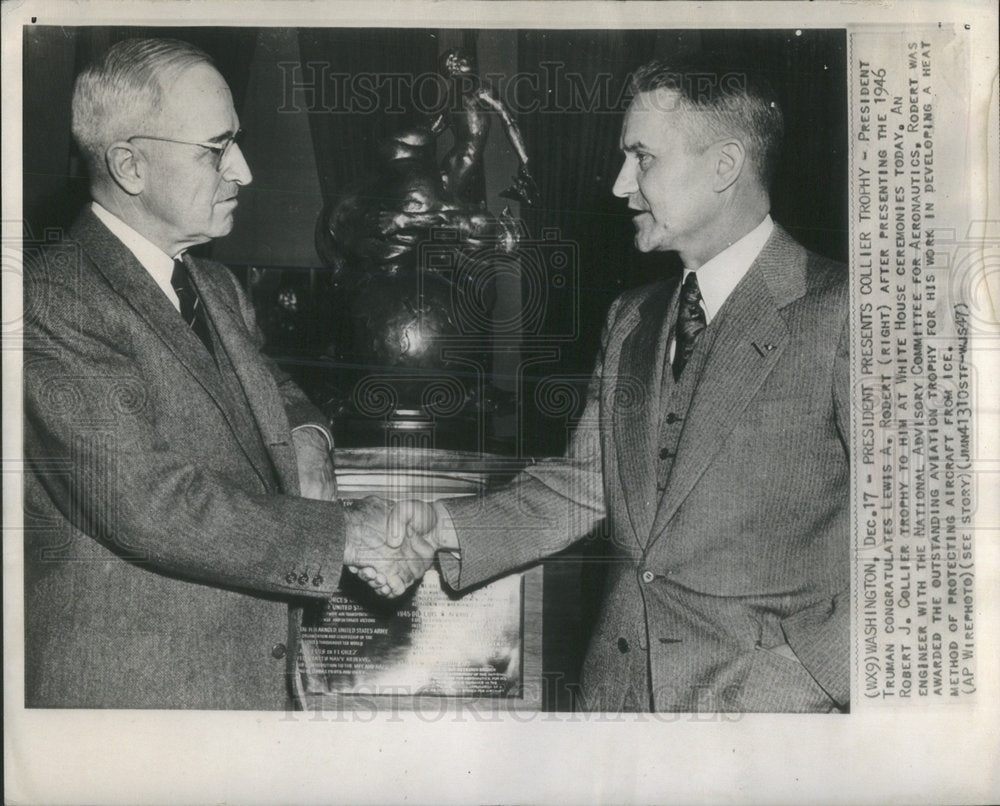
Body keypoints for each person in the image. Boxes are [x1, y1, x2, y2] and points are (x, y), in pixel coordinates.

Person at [370, 57, 850, 713]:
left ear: (724, 166)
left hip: (768, 729)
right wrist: (440, 526)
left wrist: (797, 683)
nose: (621, 185)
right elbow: (583, 486)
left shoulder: (850, 313)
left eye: (642, 158)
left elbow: (922, 556)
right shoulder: (633, 317)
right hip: (616, 709)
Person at [22, 38, 426, 710]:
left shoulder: (214, 287)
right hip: (131, 704)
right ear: (130, 165)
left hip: (235, 687)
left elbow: (271, 387)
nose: (243, 170)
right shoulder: (50, 303)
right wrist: (344, 535)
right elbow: (146, 503)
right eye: (217, 148)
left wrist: (307, 439)